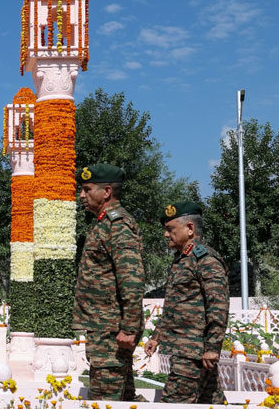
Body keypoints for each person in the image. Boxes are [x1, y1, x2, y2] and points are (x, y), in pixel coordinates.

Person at [72, 164, 145, 401]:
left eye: (86, 189)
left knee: (104, 400)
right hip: (106, 328)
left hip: (112, 330)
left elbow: (131, 279)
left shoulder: (118, 225)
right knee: (123, 399)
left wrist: (129, 328)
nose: (81, 195)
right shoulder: (104, 224)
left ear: (106, 192)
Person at [144, 202, 229, 404]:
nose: (166, 235)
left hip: (193, 355)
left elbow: (218, 306)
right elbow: (175, 306)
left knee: (173, 404)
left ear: (190, 229)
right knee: (211, 403)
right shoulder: (181, 260)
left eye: (170, 229)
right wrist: (157, 337)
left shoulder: (206, 260)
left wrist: (212, 347)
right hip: (187, 352)